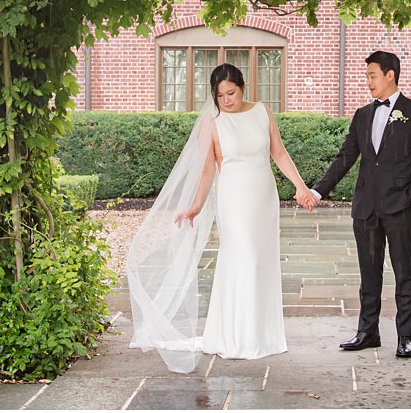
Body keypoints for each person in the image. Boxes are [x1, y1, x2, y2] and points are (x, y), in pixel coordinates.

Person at [125, 63, 316, 372]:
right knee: (245, 258)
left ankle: (261, 335)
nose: (227, 100)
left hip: (263, 198)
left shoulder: (262, 112)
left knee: (261, 261)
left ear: (243, 87)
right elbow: (207, 168)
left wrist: (300, 186)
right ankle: (235, 338)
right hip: (234, 198)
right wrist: (197, 205)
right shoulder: (211, 122)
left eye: (232, 92)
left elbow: (278, 152)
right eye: (220, 95)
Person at [304, 49, 411, 358]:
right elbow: (345, 157)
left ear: (390, 75)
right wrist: (318, 192)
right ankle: (368, 332)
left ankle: (405, 337)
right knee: (368, 273)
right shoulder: (362, 115)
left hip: (398, 206)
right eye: (367, 76)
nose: (368, 82)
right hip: (366, 207)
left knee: (404, 271)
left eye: (372, 76)